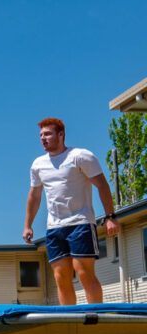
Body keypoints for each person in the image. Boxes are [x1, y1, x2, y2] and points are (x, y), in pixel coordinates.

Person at [22, 117, 120, 304]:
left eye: (48, 134)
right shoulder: (38, 165)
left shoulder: (80, 156)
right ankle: (69, 320)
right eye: (41, 135)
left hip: (80, 223)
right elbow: (34, 196)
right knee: (60, 276)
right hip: (54, 227)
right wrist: (27, 225)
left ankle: (95, 317)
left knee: (83, 271)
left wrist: (110, 216)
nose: (43, 138)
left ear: (61, 135)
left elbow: (102, 185)